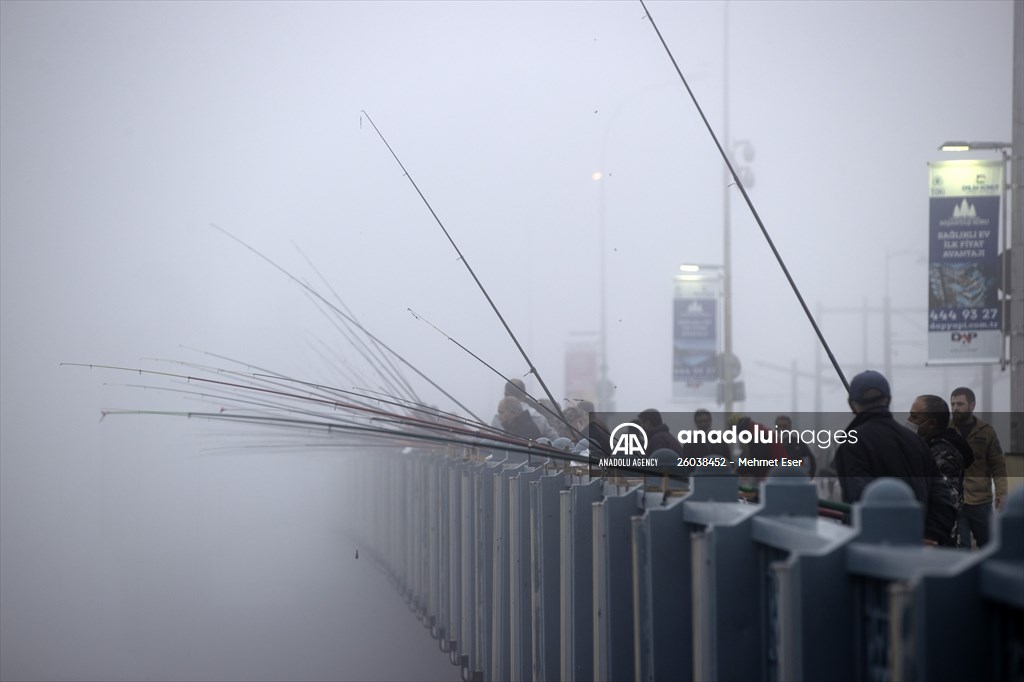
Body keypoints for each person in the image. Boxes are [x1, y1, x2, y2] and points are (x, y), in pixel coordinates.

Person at [833, 370, 955, 545]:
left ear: (852, 404)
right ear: (889, 400)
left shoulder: (851, 444)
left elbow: (860, 498)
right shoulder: (917, 442)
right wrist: (931, 537)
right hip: (918, 549)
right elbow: (943, 500)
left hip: (872, 551)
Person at [907, 394, 972, 547]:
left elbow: (947, 501)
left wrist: (933, 535)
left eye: (914, 417)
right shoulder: (929, 448)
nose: (909, 421)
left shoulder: (943, 454)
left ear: (931, 424)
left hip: (935, 541)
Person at [950, 386, 1008, 548]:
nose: (955, 408)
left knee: (988, 546)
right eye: (953, 404)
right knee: (961, 548)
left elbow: (998, 465)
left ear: (972, 405)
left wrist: (1002, 494)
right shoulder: (945, 430)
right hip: (954, 502)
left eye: (960, 404)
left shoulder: (986, 432)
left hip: (980, 501)